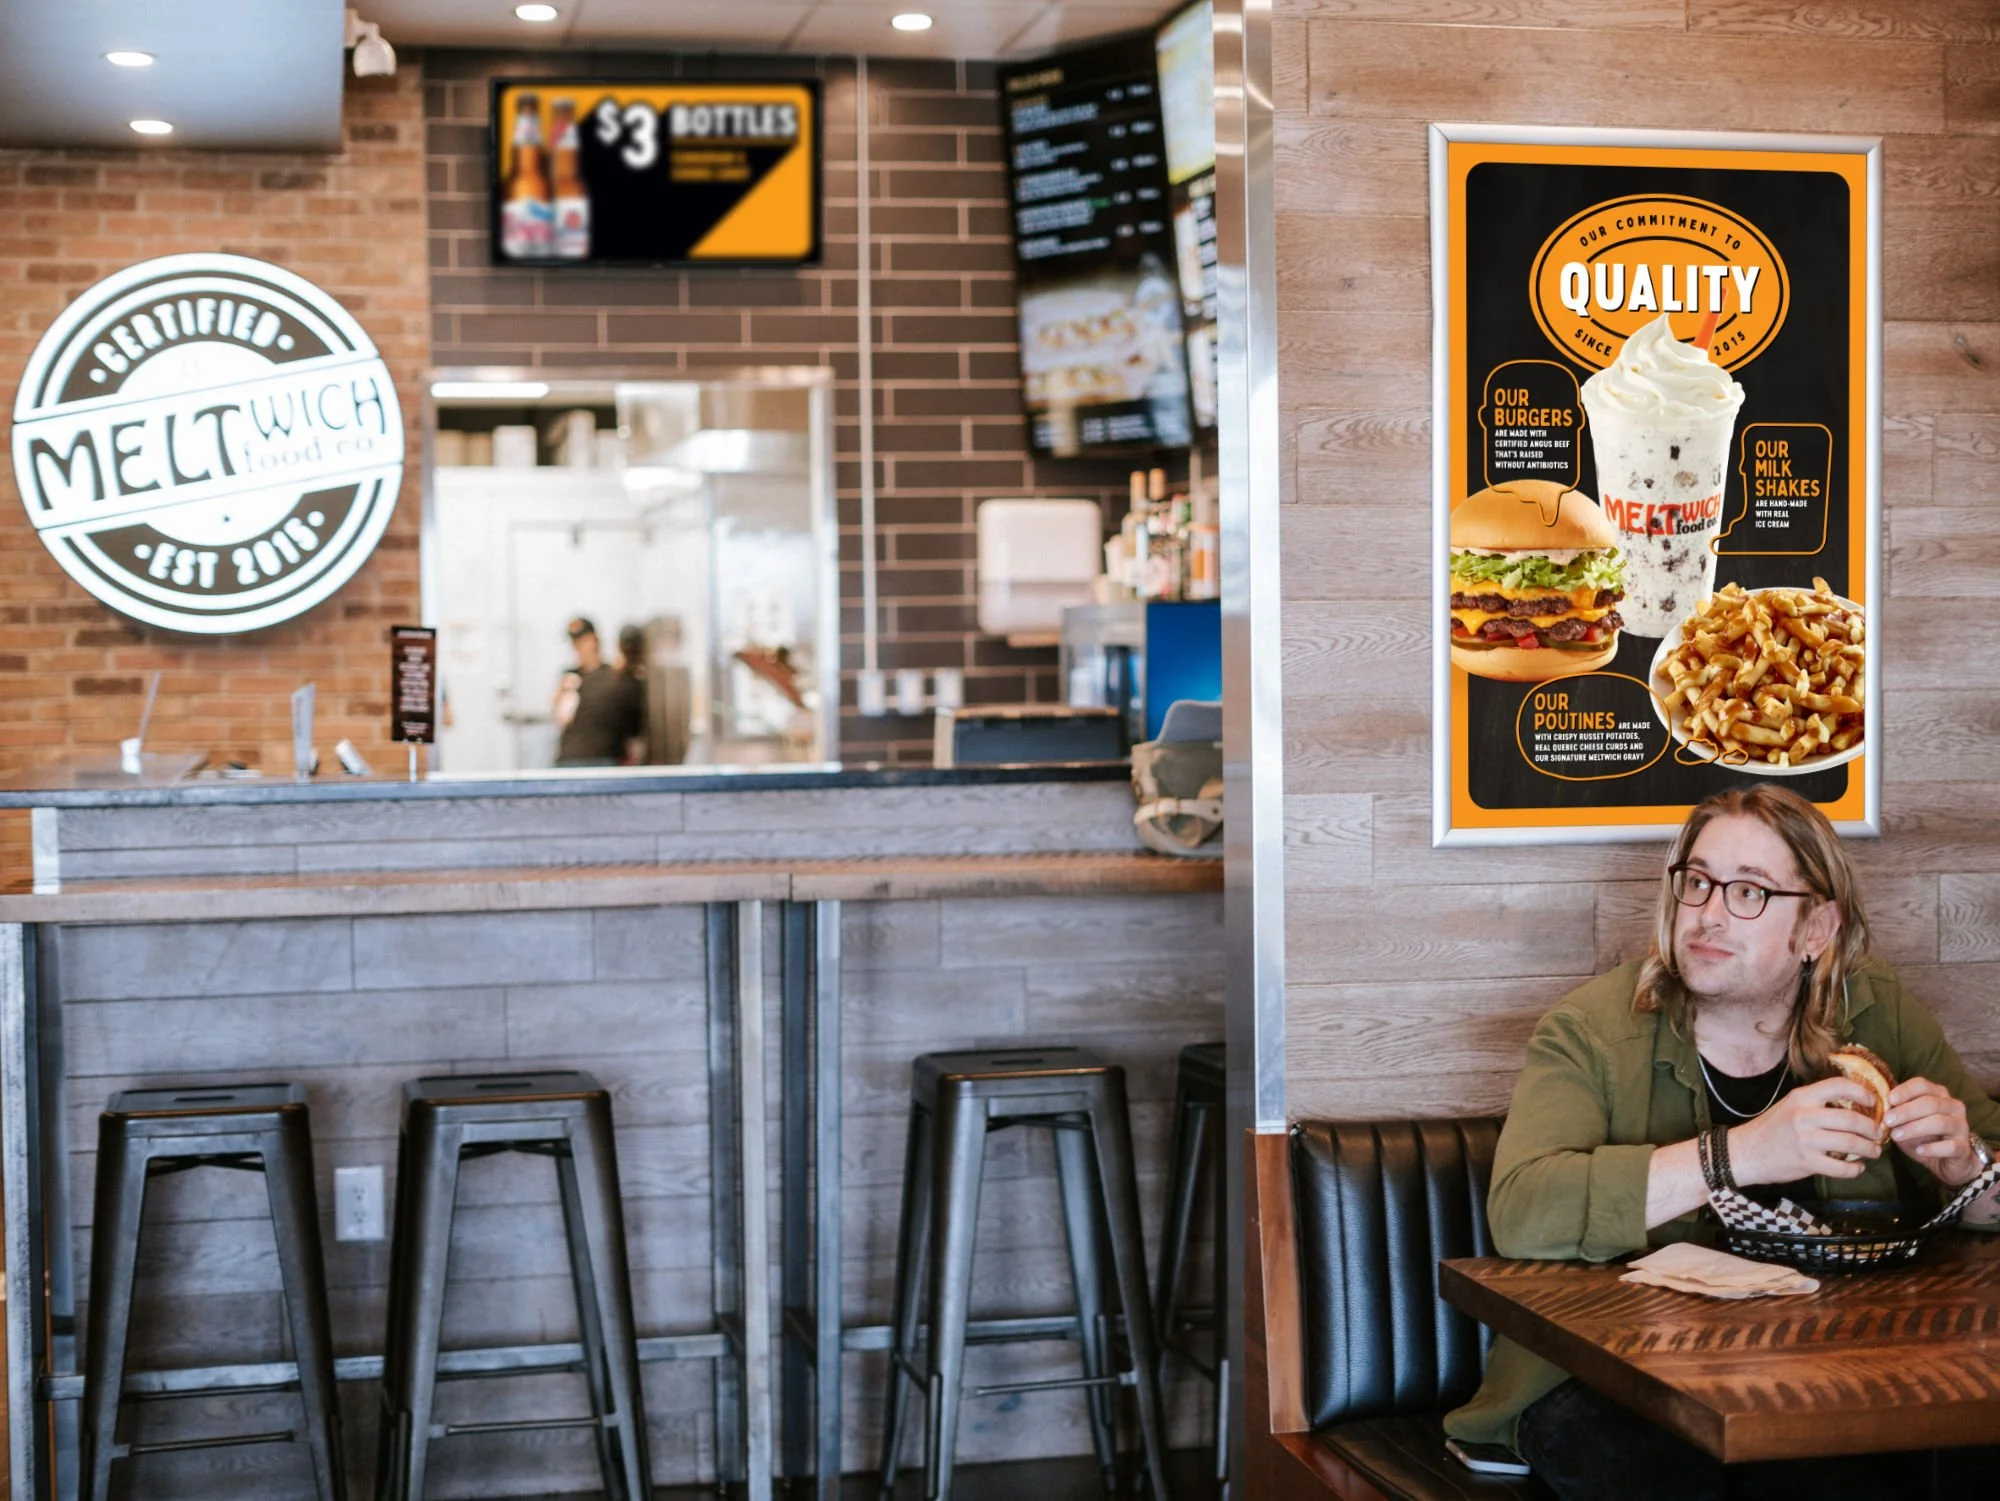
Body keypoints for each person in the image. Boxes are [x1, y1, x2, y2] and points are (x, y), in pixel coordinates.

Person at [1445, 785, 2000, 1500]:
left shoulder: (1874, 1009)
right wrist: (1737, 1154)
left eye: (1749, 892)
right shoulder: (1591, 1029)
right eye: (1698, 881)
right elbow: (1522, 1211)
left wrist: (1967, 1166)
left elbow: (1990, 1194)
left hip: (1834, 1367)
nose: (1707, 913)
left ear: (1817, 928)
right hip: (1607, 1383)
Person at [552, 616, 643, 767]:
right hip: (568, 760)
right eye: (574, 642)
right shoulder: (569, 677)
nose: (577, 647)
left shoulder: (615, 676)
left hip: (605, 759)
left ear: (595, 639)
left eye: (582, 641)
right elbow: (561, 718)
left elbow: (634, 723)